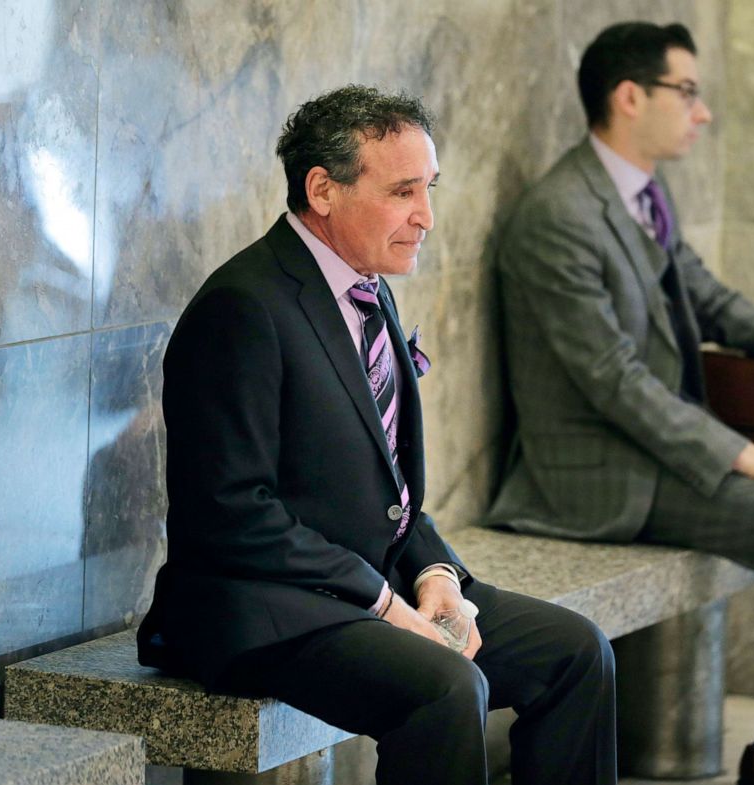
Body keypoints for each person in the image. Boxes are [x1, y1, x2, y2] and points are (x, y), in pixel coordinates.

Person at [487, 22, 754, 785]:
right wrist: (752, 453)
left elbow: (711, 299)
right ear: (630, 97)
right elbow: (613, 379)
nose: (703, 112)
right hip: (599, 475)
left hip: (665, 457)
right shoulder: (559, 216)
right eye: (687, 92)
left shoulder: (640, 196)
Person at [137, 85, 617, 785]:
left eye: (429, 188)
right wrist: (387, 604)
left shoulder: (367, 286)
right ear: (323, 190)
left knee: (577, 652)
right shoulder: (242, 308)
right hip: (263, 607)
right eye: (402, 191)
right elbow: (231, 514)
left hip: (368, 584)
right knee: (446, 687)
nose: (426, 216)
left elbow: (390, 485)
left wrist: (436, 576)